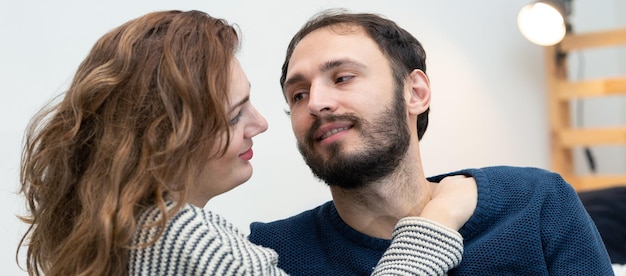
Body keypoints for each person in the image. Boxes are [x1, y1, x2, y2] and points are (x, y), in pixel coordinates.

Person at [17, 9, 476, 276]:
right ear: (167, 134)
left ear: (416, 91)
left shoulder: (121, 235)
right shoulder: (181, 238)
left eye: (344, 78)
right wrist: (434, 224)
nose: (260, 123)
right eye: (236, 114)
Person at [248, 9, 615, 275]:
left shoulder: (536, 202)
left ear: (415, 92)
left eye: (342, 77)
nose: (315, 102)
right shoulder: (272, 253)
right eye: (297, 94)